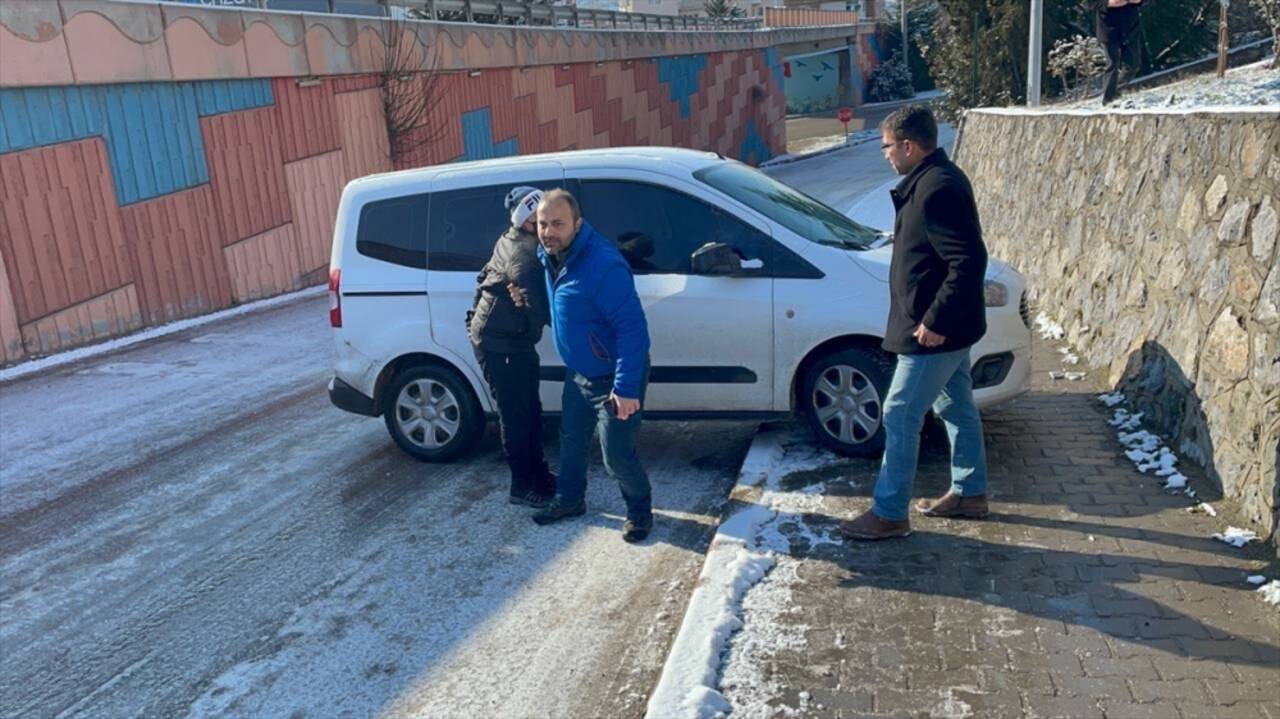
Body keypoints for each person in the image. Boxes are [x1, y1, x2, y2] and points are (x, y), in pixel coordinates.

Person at [840, 104, 990, 541]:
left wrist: (936, 319)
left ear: (909, 145)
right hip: (943, 326)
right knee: (956, 406)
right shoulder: (932, 180)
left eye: (887, 146)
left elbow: (968, 261)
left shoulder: (936, 187)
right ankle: (969, 492)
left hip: (934, 330)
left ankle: (889, 513)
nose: (885, 154)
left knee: (900, 412)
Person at [524, 189, 654, 543]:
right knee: (570, 440)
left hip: (613, 378)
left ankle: (640, 512)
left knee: (616, 456)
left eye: (558, 223)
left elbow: (632, 330)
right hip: (579, 373)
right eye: (542, 223)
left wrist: (626, 388)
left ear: (577, 224)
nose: (549, 231)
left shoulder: (602, 265)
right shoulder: (551, 256)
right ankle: (569, 500)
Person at [468, 186, 556, 508]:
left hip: (511, 339)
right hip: (501, 344)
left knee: (531, 412)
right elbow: (543, 307)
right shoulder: (523, 255)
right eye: (540, 218)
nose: (547, 223)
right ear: (527, 220)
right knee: (517, 416)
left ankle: (540, 476)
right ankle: (522, 485)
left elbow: (485, 278)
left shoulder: (521, 240)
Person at [1095, 0, 1144, 104]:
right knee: (1113, 63)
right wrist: (1108, 3)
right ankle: (1108, 100)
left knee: (1134, 63)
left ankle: (1115, 91)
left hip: (1130, 27)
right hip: (1108, 29)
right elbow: (1089, 3)